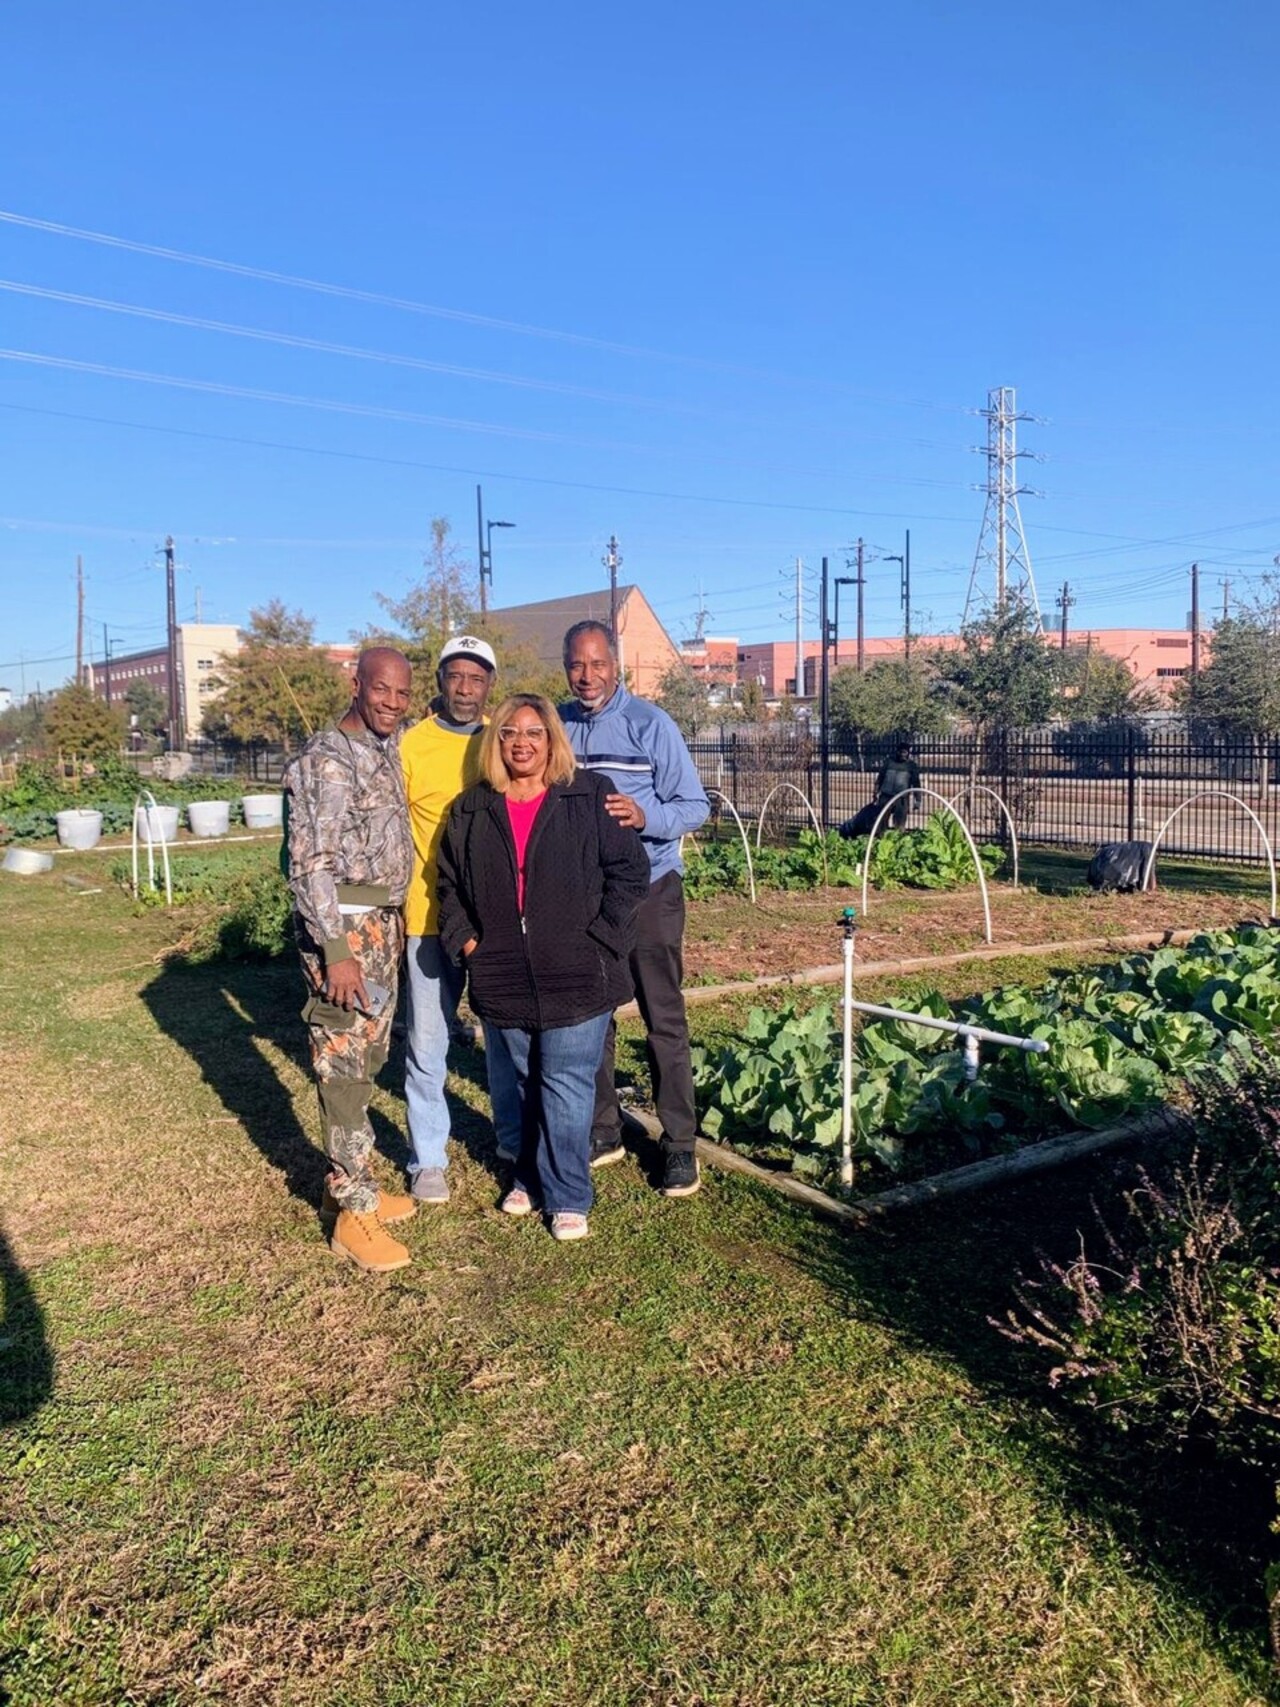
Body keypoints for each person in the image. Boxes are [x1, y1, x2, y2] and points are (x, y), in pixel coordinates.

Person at [436, 694, 650, 1240]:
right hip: (502, 969)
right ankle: (527, 1176)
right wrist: (469, 947)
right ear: (497, 741)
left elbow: (630, 874)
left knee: (567, 1083)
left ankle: (568, 1195)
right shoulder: (470, 809)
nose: (522, 743)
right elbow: (450, 887)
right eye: (510, 732)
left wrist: (603, 941)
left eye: (534, 732)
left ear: (553, 739)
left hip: (579, 971)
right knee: (525, 1081)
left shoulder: (589, 796)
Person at [559, 621, 710, 1197]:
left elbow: (693, 805)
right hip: (587, 895)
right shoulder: (559, 724)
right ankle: (604, 1129)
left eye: (597, 664)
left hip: (649, 889)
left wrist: (648, 818)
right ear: (566, 666)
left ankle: (678, 1145)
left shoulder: (651, 724)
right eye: (577, 665)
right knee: (592, 1014)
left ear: (615, 665)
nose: (587, 676)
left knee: (663, 1018)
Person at [283, 647, 417, 1273]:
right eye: (381, 690)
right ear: (356, 683)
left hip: (382, 927)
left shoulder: (383, 746)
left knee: (369, 1061)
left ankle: (362, 1182)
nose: (392, 702)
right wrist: (336, 953)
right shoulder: (325, 761)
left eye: (401, 693)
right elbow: (310, 865)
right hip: (345, 934)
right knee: (342, 1067)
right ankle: (352, 1210)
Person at [399, 634, 520, 1203]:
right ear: (441, 680)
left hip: (496, 917)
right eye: (456, 677)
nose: (466, 688)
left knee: (502, 1033)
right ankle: (428, 1159)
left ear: (489, 685)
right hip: (427, 915)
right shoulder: (411, 745)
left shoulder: (504, 739)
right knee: (428, 1039)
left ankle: (513, 1140)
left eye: (477, 679)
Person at [875, 742, 922, 829]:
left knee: (899, 824)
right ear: (897, 752)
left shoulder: (911, 766)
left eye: (905, 752)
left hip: (901, 798)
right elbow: (880, 778)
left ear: (908, 753)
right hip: (886, 796)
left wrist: (918, 800)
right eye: (901, 752)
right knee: (881, 821)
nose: (902, 754)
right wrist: (875, 792)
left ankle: (898, 839)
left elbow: (916, 783)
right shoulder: (889, 762)